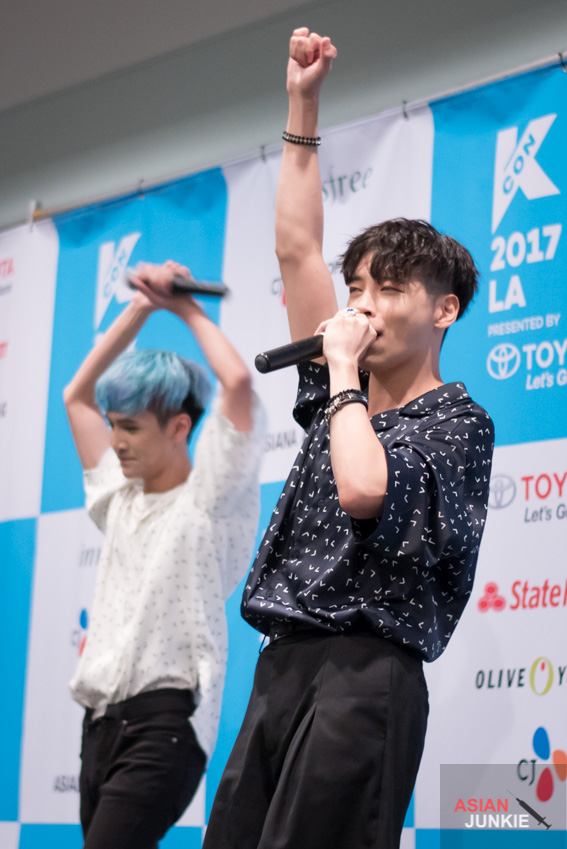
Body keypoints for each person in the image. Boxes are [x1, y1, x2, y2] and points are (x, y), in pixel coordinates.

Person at [203, 29, 494, 849]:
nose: (360, 304)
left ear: (444, 310)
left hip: (366, 680)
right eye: (355, 286)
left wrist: (339, 377)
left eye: (388, 288)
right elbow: (296, 248)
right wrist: (302, 104)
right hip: (281, 665)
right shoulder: (345, 395)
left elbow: (365, 488)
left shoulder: (455, 421)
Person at [63, 260, 265, 849]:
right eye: (113, 426)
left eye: (130, 428)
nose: (116, 442)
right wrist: (141, 305)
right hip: (99, 727)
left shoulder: (211, 498)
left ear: (179, 427)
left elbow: (238, 383)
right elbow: (75, 398)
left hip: (165, 725)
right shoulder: (117, 498)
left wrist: (183, 306)